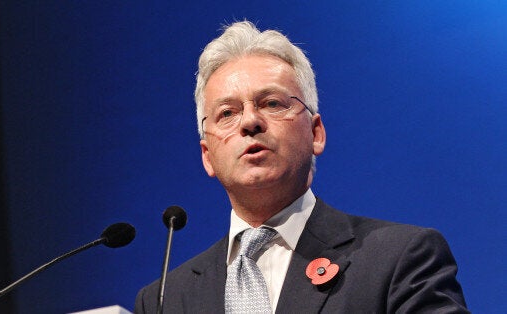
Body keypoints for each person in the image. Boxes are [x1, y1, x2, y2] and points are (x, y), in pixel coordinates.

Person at [135, 21, 468, 313]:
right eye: (227, 113)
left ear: (315, 133)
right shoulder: (163, 300)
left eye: (272, 103)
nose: (250, 121)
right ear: (207, 155)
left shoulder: (399, 258)